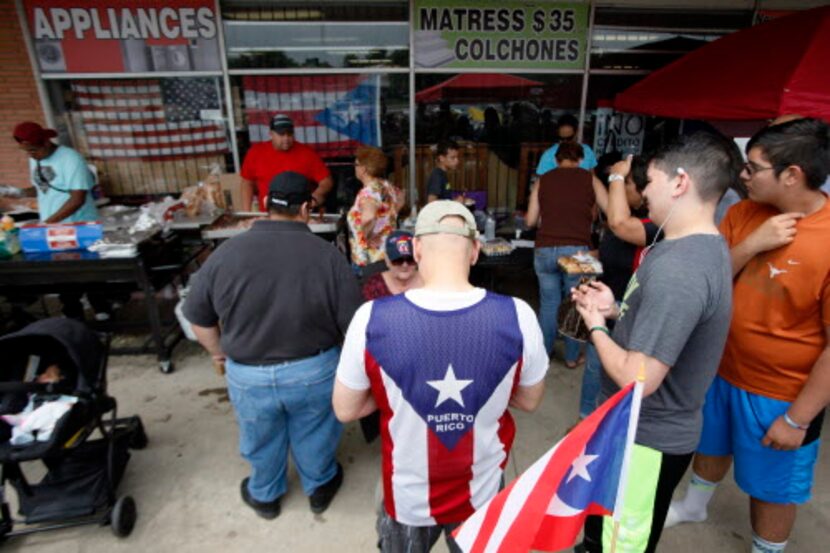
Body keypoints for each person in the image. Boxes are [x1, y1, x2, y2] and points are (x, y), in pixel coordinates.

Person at [332, 201, 548, 553]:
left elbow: (346, 408)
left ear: (417, 248)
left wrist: (396, 390)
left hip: (407, 496)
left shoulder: (371, 319)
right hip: (481, 489)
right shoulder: (518, 315)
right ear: (475, 251)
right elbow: (529, 399)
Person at [666, 118, 830, 553]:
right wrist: (754, 244)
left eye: (753, 167)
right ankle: (695, 505)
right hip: (722, 370)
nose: (743, 174)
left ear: (792, 174)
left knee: (774, 485)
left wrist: (799, 419)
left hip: (780, 391)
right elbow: (710, 281)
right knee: (711, 444)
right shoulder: (742, 214)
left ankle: (767, 549)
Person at [571, 131, 740, 553]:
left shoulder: (680, 269)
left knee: (619, 545)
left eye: (651, 179)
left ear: (680, 182)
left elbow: (639, 378)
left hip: (646, 440)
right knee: (602, 534)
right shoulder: (688, 246)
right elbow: (667, 329)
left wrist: (595, 325)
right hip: (636, 433)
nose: (643, 190)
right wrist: (615, 309)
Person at [184, 171, 362, 520]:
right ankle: (320, 487)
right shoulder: (328, 257)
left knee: (259, 436)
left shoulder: (226, 253)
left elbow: (199, 319)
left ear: (265, 205)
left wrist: (217, 351)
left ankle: (265, 495)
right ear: (307, 209)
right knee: (316, 431)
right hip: (313, 370)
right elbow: (354, 326)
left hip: (247, 373)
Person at [579, 155, 661, 420]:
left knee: (618, 383)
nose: (620, 190)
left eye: (625, 184)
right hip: (606, 309)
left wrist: (616, 175)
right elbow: (611, 214)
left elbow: (618, 224)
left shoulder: (654, 224)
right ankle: (585, 423)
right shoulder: (625, 214)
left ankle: (601, 427)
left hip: (629, 318)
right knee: (594, 372)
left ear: (641, 188)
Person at [11, 121, 108, 321]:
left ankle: (102, 311)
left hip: (78, 225)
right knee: (62, 275)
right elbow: (42, 187)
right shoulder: (34, 157)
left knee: (88, 273)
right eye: (26, 151)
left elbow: (77, 198)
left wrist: (48, 223)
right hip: (52, 227)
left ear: (46, 142)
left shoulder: (71, 159)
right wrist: (17, 193)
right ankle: (73, 317)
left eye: (33, 150)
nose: (31, 155)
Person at [525, 141, 603, 368]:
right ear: (580, 160)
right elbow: (610, 210)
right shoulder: (590, 179)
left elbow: (530, 220)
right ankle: (571, 357)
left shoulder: (543, 180)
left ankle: (544, 356)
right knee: (576, 302)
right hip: (578, 251)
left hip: (545, 248)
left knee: (549, 304)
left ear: (556, 160)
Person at [239, 114, 333, 212]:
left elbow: (326, 182)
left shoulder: (307, 153)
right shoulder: (255, 153)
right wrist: (247, 213)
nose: (286, 139)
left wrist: (315, 197)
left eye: (289, 134)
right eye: (281, 134)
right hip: (268, 216)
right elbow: (247, 183)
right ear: (271, 134)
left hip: (299, 216)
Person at [347, 146, 404, 269]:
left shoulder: (368, 192)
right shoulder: (387, 187)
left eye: (356, 164)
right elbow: (401, 200)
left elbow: (369, 217)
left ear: (364, 169)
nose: (354, 168)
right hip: (388, 252)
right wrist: (388, 219)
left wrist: (367, 236)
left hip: (370, 259)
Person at [361, 230, 423, 301]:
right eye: (398, 260)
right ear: (387, 260)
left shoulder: (430, 282)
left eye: (410, 260)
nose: (404, 265)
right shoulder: (374, 287)